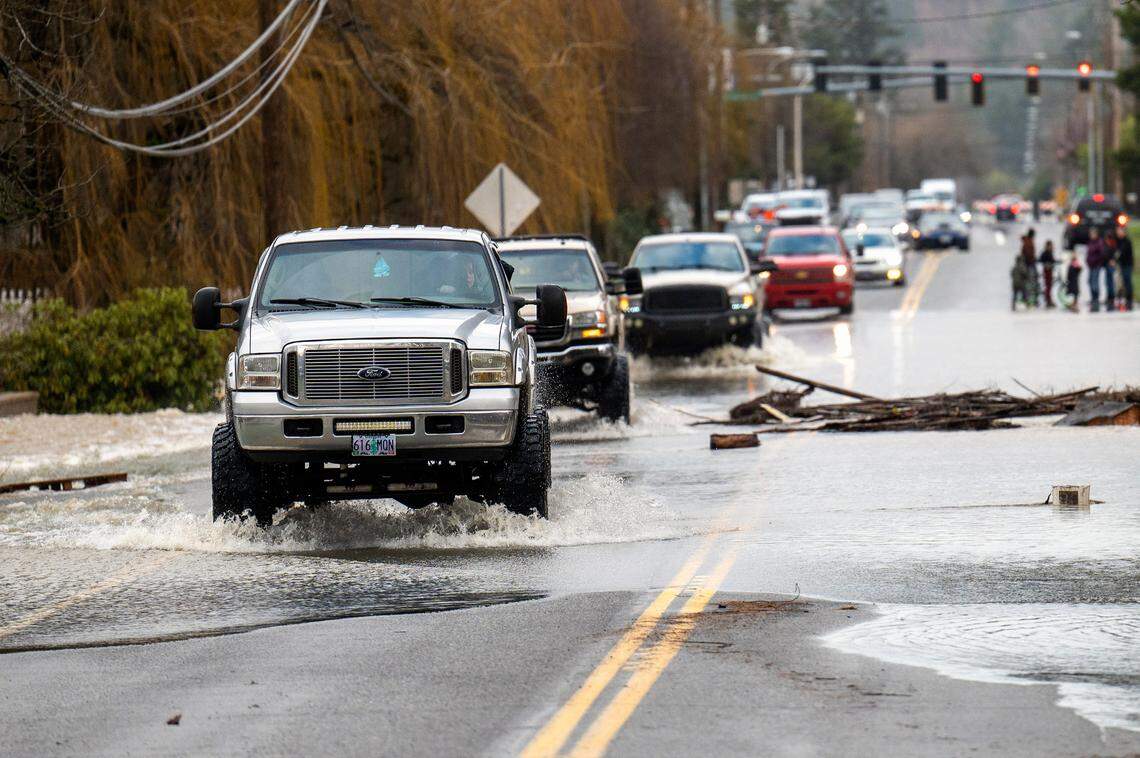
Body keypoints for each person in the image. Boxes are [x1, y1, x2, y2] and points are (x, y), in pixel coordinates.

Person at [1086, 228, 1106, 311]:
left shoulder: (1099, 242)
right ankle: (1092, 298)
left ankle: (1096, 299)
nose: (1092, 236)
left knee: (1095, 283)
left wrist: (1096, 262)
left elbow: (1101, 254)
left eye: (1093, 234)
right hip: (1090, 266)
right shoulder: (1090, 242)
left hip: (1096, 265)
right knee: (1090, 281)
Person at [1116, 226, 1134, 310]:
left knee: (1127, 283)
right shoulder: (1118, 241)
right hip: (1122, 265)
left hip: (1127, 265)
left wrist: (1116, 258)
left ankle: (1129, 301)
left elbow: (1123, 253)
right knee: (1121, 284)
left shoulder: (1127, 241)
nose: (1118, 233)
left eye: (1119, 231)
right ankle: (1123, 300)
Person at [1039, 239, 1056, 308]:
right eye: (1051, 245)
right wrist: (1047, 264)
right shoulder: (1046, 253)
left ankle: (1049, 299)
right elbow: (1041, 260)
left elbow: (1052, 260)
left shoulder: (1049, 252)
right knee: (1048, 286)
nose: (1052, 247)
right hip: (1047, 271)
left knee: (1049, 286)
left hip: (1049, 271)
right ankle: (1048, 300)